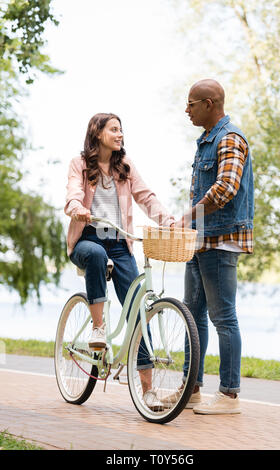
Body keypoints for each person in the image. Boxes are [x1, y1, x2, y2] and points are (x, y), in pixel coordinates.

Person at [64, 112, 175, 410]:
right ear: (98, 133)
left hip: (119, 243)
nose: (119, 134)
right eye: (114, 129)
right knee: (97, 256)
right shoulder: (80, 164)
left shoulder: (124, 167)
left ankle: (148, 390)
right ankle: (98, 328)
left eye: (121, 130)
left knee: (140, 311)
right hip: (88, 239)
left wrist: (168, 220)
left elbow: (146, 196)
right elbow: (74, 191)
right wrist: (77, 208)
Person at [162, 79, 254, 414]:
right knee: (192, 316)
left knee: (223, 317)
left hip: (220, 241)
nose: (186, 110)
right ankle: (192, 390)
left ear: (210, 103)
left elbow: (226, 187)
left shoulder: (230, 138)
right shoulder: (205, 141)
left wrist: (189, 215)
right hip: (199, 241)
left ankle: (229, 396)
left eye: (191, 104)